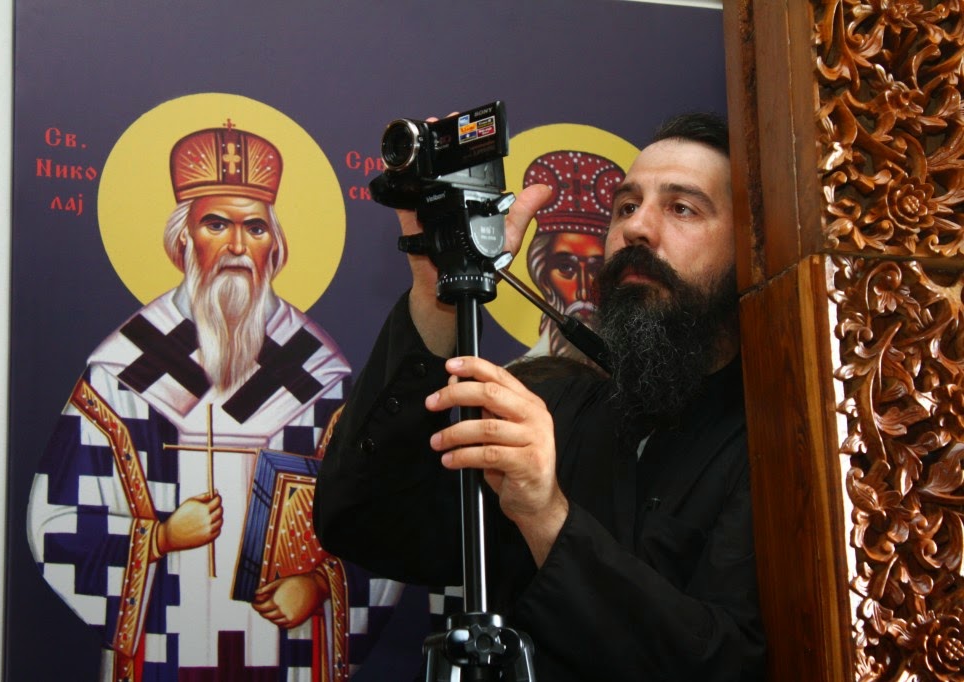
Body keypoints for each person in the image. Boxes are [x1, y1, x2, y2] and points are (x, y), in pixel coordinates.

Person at [313, 112, 766, 680]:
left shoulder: (771, 444)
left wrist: (546, 517)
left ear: (750, 246)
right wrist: (437, 291)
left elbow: (727, 663)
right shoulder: (548, 405)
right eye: (627, 206)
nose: (637, 229)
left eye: (682, 208)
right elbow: (362, 521)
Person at [27, 123, 401, 681]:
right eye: (217, 224)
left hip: (288, 652)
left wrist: (319, 584)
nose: (237, 247)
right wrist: (160, 538)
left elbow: (382, 524)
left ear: (275, 247)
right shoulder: (124, 372)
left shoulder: (319, 376)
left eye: (255, 227)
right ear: (183, 239)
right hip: (162, 649)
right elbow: (54, 523)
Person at [518, 150, 624, 369]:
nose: (583, 292)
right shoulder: (514, 377)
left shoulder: (644, 382)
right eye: (566, 268)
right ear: (543, 276)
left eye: (596, 269)